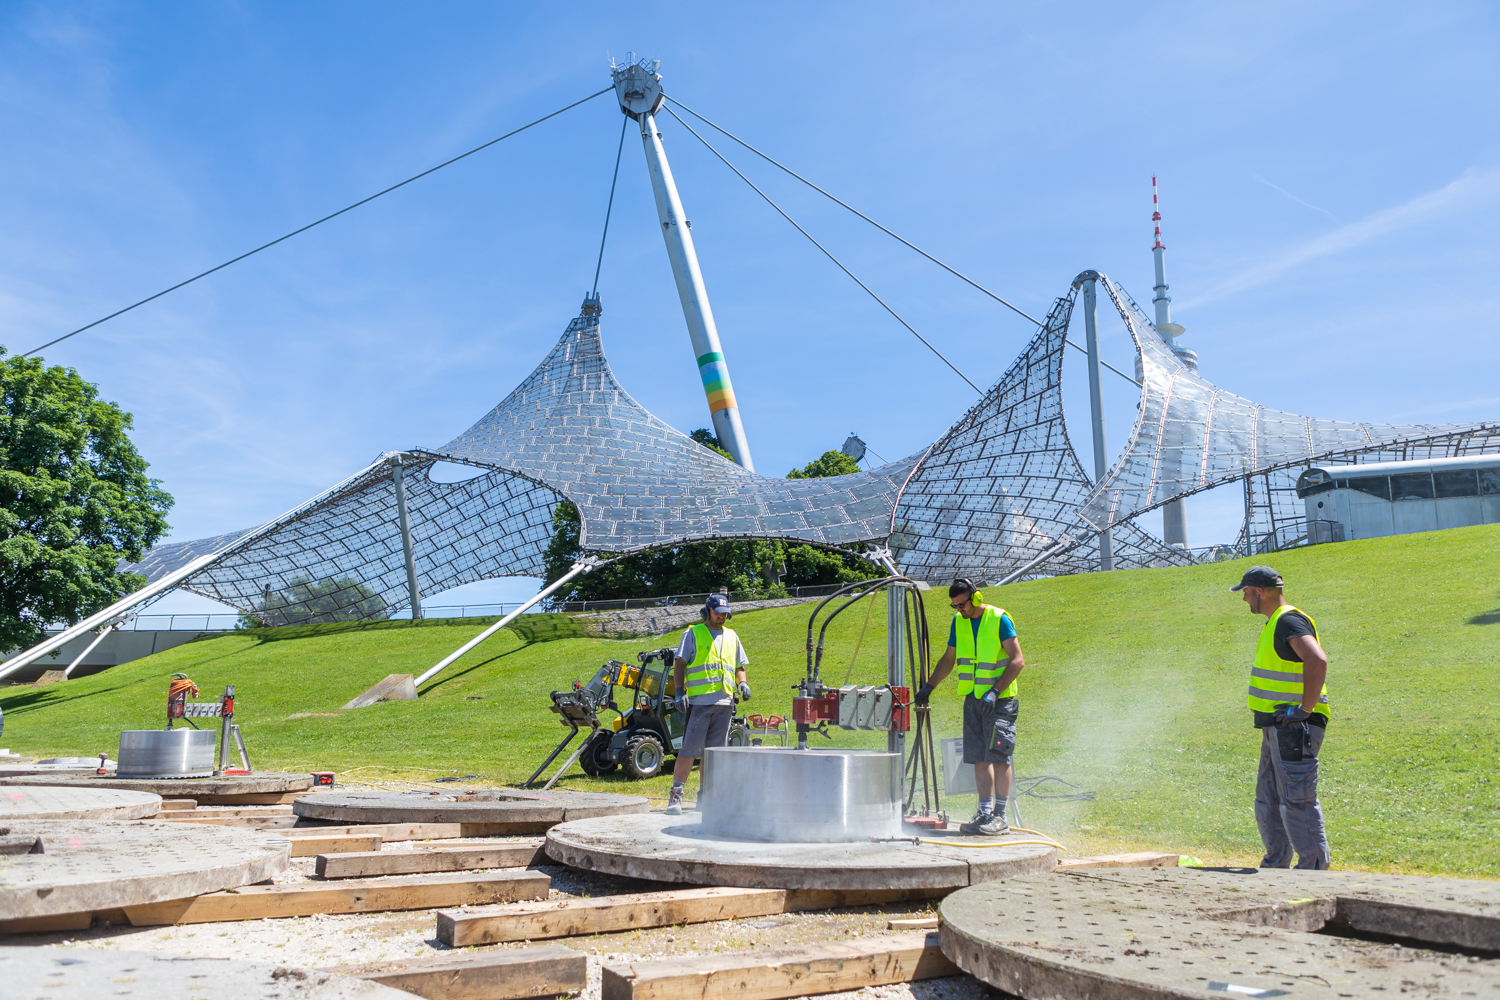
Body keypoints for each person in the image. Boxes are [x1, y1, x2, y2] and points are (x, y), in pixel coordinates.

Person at [1232, 565, 1331, 869]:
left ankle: (1313, 869)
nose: (1245, 599)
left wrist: (1304, 710)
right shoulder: (1275, 622)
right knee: (1269, 798)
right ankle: (1275, 865)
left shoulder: (1287, 620)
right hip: (1277, 726)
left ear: (1259, 592)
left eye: (1247, 593)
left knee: (1296, 799)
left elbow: (1316, 658)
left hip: (1294, 726)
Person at [913, 578, 1025, 835]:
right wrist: (930, 686)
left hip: (1000, 700)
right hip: (974, 700)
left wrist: (995, 692)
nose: (960, 610)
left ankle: (1000, 816)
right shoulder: (958, 622)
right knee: (977, 757)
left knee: (999, 757)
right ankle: (984, 814)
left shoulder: (999, 619)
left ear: (975, 598)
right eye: (955, 606)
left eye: (962, 605)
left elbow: (1017, 661)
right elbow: (949, 658)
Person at [665, 593, 750, 816]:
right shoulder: (693, 633)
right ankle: (676, 796)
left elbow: (739, 666)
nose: (722, 617)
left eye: (725, 614)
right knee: (689, 750)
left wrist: (743, 684)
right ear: (708, 611)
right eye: (718, 613)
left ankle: (706, 797)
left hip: (724, 702)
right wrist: (680, 692)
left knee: (712, 753)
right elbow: (680, 664)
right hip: (700, 702)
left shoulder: (732, 636)